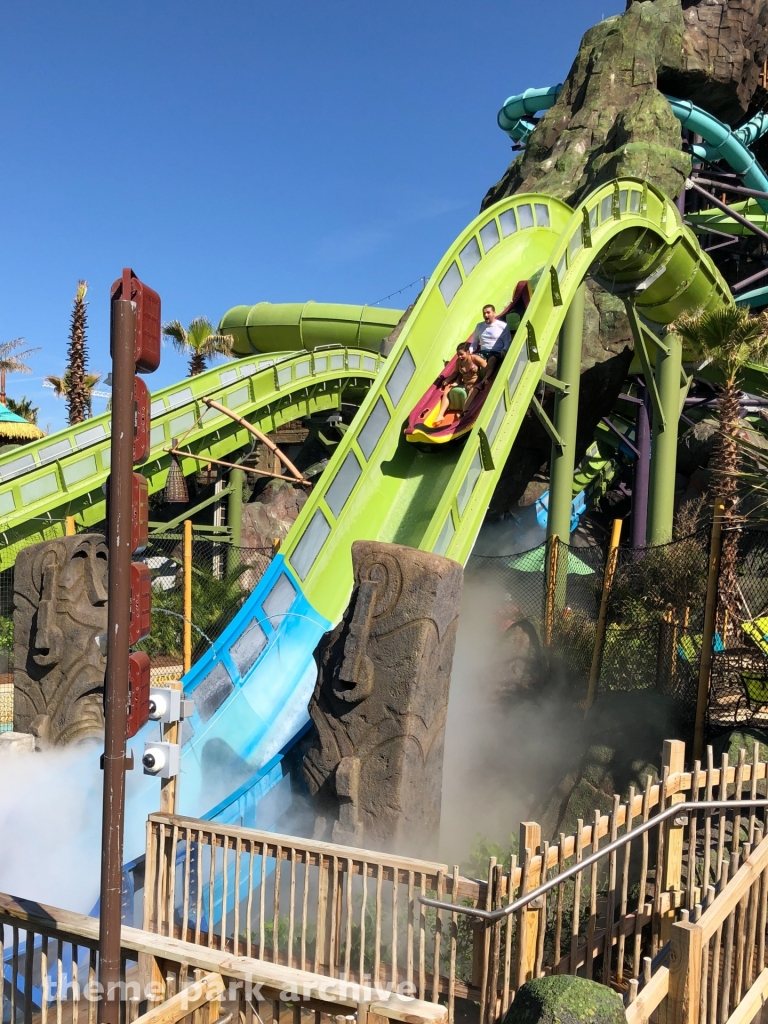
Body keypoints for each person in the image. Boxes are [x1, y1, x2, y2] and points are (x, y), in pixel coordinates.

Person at [435, 344, 486, 426]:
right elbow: (455, 373)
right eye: (458, 355)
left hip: (475, 384)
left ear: (468, 352)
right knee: (447, 392)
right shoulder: (459, 362)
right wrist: (447, 380)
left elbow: (486, 367)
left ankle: (463, 414)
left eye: (461, 354)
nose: (459, 357)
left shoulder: (474, 359)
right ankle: (441, 415)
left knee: (471, 394)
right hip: (465, 384)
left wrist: (484, 380)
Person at [470, 304, 518, 380]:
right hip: (483, 353)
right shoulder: (479, 326)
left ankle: (485, 379)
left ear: (494, 313)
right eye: (484, 313)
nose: (486, 315)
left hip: (496, 352)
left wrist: (504, 349)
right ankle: (475, 378)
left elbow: (507, 341)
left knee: (492, 359)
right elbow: (475, 342)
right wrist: (470, 351)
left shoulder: (502, 326)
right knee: (471, 357)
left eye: (488, 312)